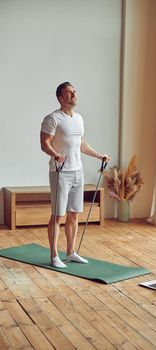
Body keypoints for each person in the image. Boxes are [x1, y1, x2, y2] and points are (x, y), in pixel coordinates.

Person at [40, 82, 111, 268]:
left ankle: (70, 252)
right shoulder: (52, 119)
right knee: (57, 215)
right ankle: (54, 256)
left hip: (77, 171)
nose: (74, 95)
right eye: (69, 93)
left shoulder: (78, 118)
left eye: (74, 92)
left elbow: (80, 143)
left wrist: (99, 155)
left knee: (74, 214)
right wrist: (55, 154)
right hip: (60, 172)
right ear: (61, 98)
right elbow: (44, 143)